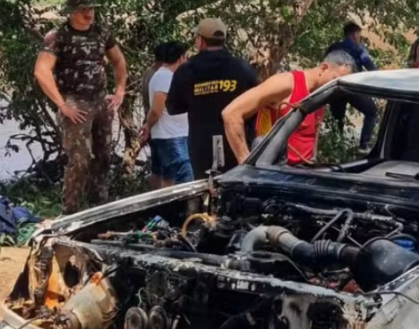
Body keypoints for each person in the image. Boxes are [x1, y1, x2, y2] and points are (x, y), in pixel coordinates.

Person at [34, 0, 128, 215]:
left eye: (92, 9)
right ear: (72, 12)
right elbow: (41, 71)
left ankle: (99, 206)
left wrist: (120, 91)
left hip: (101, 102)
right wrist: (62, 104)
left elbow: (119, 61)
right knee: (79, 159)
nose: (89, 14)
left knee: (104, 155)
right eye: (84, 10)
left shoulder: (101, 32)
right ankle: (70, 211)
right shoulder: (58, 36)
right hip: (76, 103)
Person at [222, 51, 355, 167]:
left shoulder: (323, 93)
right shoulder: (286, 83)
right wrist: (245, 163)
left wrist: (314, 162)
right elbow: (231, 113)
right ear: (324, 68)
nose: (336, 88)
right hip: (277, 174)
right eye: (335, 80)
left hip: (304, 176)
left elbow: (313, 135)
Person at [166, 18, 259, 179]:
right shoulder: (242, 68)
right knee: (236, 188)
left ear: (200, 41)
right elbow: (258, 104)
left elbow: (173, 107)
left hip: (202, 146)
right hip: (236, 144)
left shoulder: (186, 70)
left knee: (203, 193)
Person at [140, 42, 192, 189]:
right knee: (185, 179)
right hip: (171, 137)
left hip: (175, 135)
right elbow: (156, 109)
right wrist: (148, 125)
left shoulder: (169, 76)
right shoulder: (164, 76)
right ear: (181, 58)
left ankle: (166, 210)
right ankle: (182, 210)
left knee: (169, 178)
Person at [326, 22, 379, 154]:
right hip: (352, 87)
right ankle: (363, 145)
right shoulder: (358, 49)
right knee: (372, 111)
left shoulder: (333, 48)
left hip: (335, 87)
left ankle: (335, 147)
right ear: (356, 34)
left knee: (337, 118)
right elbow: (372, 68)